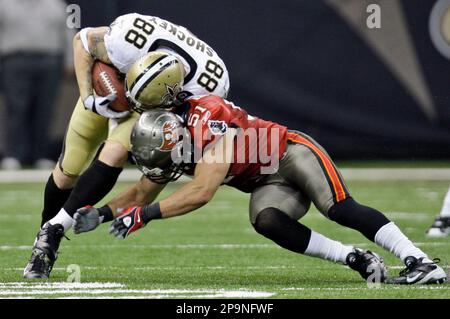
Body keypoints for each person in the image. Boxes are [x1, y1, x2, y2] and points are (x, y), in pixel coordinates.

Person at [74, 96, 447, 285]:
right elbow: (141, 192)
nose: (159, 166)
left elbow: (202, 191)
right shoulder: (173, 142)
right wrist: (104, 212)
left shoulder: (208, 128)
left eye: (160, 157)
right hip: (267, 181)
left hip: (291, 154)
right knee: (267, 220)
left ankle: (420, 261)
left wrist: (146, 217)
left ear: (173, 140)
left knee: (339, 207)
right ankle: (357, 259)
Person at [23, 13, 230, 279]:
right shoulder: (129, 39)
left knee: (116, 151)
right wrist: (88, 97)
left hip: (152, 112)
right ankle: (46, 234)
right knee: (67, 173)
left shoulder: (209, 86)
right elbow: (81, 40)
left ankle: (49, 240)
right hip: (112, 89)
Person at [0, 0, 74, 170]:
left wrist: (70, 60)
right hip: (14, 60)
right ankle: (14, 155)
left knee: (45, 109)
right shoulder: (4, 4)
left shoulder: (55, 5)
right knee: (16, 108)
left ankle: (40, 155)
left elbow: (67, 33)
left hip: (50, 61)